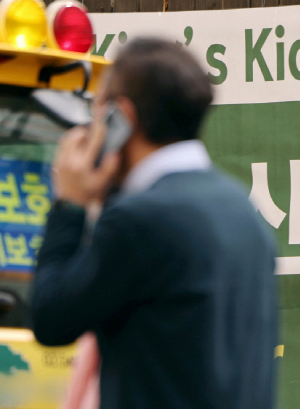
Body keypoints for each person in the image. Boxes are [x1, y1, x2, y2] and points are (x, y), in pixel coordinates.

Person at [30, 38, 279, 409]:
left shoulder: (138, 222)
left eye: (99, 114)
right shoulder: (242, 210)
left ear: (122, 119)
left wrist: (70, 203)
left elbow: (50, 317)